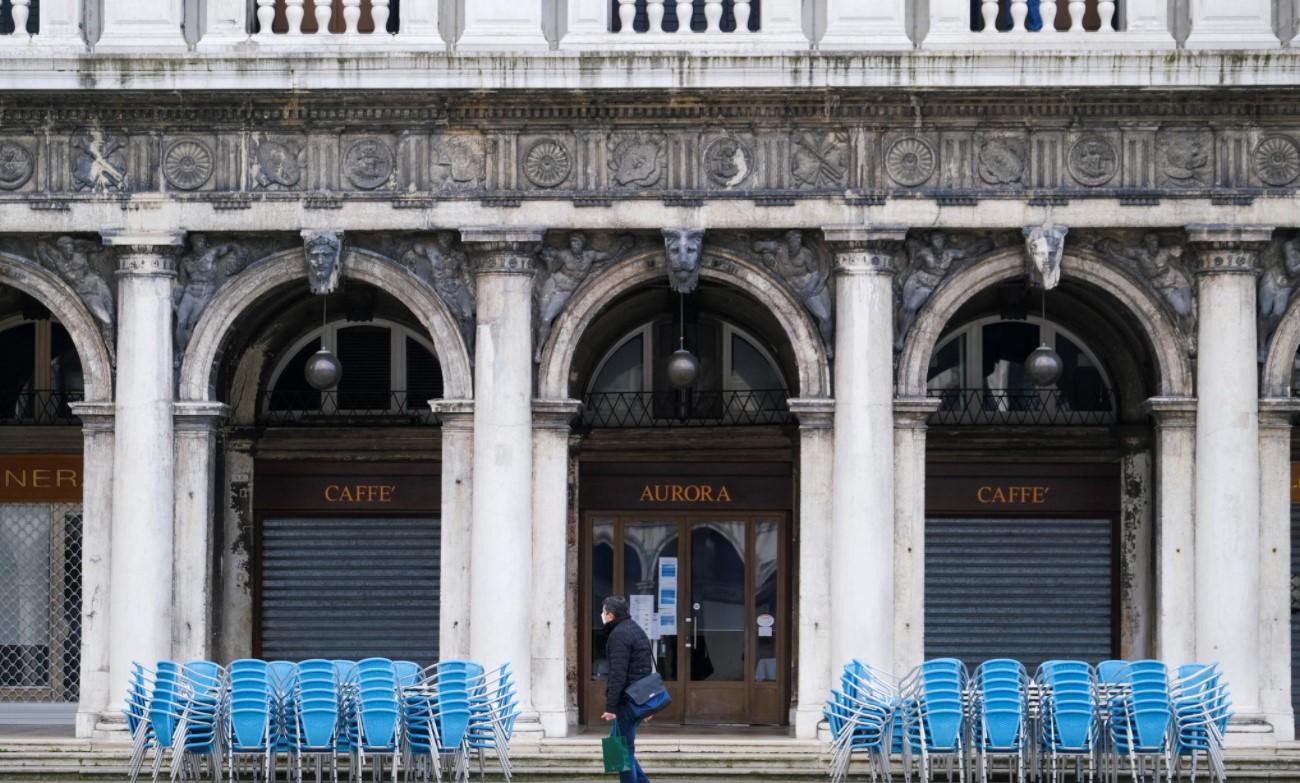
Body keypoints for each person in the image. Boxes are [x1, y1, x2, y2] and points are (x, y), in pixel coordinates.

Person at [601, 596, 654, 783]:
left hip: (627, 701)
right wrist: (647, 704)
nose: (602, 615)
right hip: (637, 698)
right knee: (618, 747)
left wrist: (610, 707)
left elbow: (618, 674)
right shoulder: (635, 629)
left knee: (623, 751)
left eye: (604, 612)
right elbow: (645, 669)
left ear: (610, 615)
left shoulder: (619, 635)